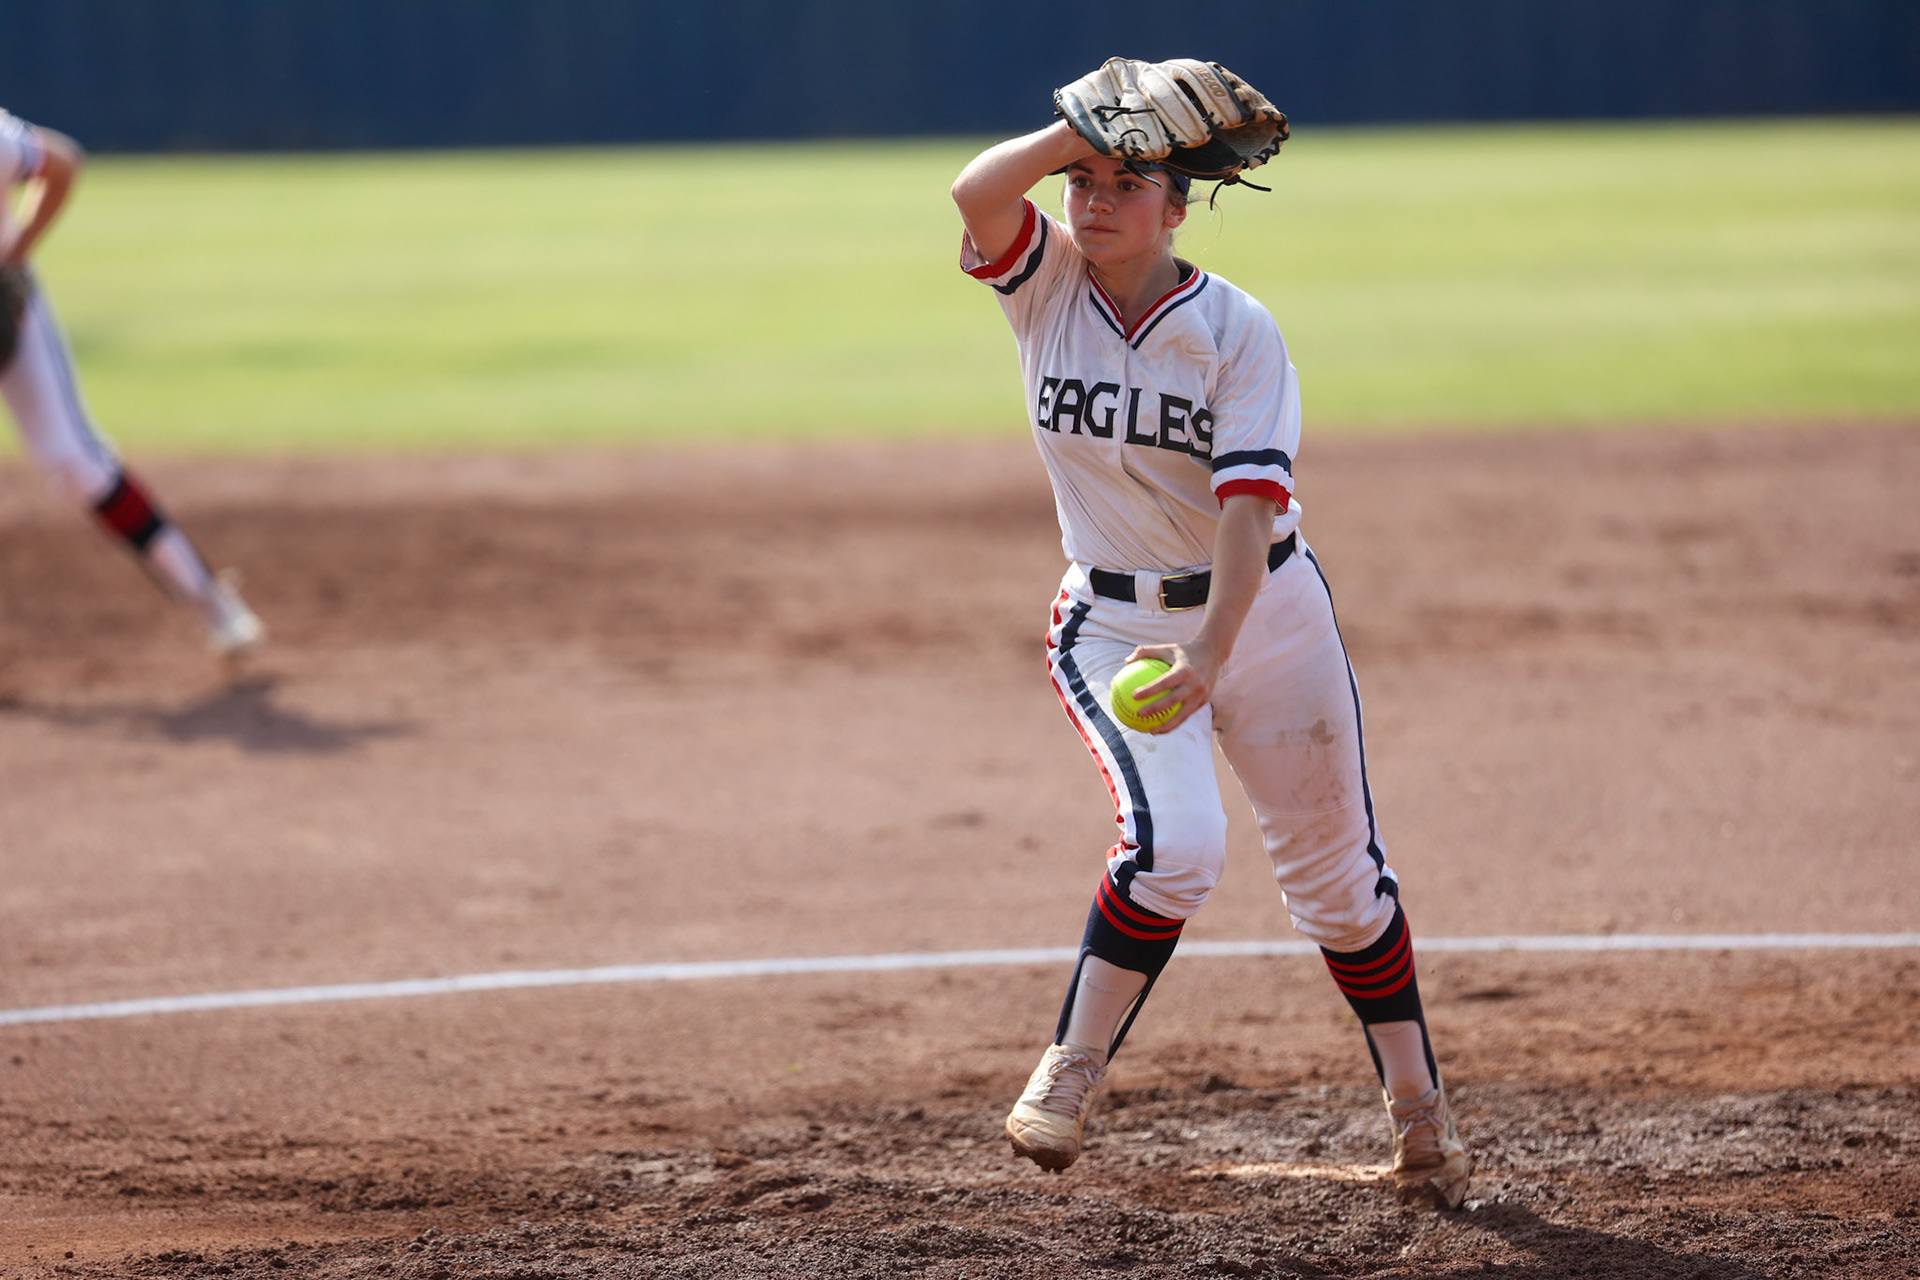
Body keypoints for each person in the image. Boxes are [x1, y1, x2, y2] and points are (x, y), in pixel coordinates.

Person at [950, 76, 1471, 1209]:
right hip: (1115, 622)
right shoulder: (1043, 288)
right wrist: (1078, 133)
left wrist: (1215, 654)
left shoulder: (1238, 331)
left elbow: (1248, 513)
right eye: (1084, 183)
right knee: (1176, 845)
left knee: (1341, 886)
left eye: (1126, 183)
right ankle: (1069, 1072)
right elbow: (976, 190)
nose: (1092, 202)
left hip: (1267, 616)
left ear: (1179, 205)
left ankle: (1420, 1112)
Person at [0, 107, 262, 655]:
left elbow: (63, 163)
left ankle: (211, 602)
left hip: (9, 302)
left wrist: (15, 250)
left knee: (74, 460)